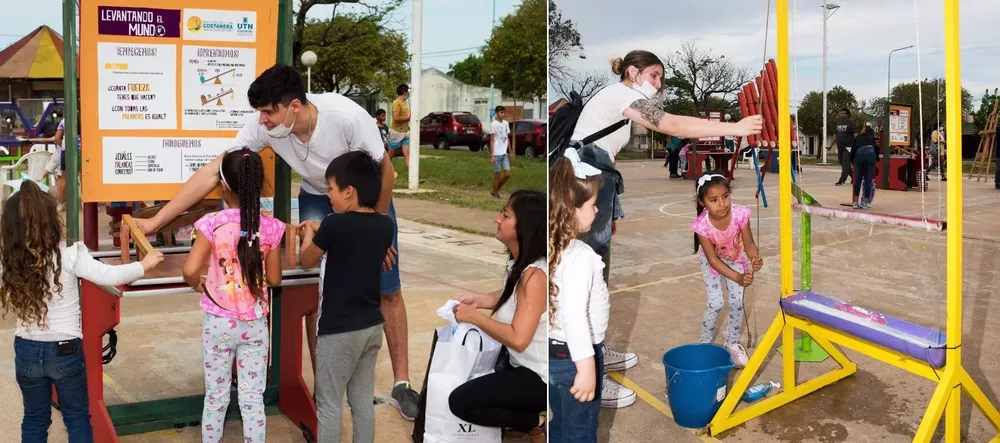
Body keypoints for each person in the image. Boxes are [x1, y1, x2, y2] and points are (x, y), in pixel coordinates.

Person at [132, 64, 421, 420]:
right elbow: (214, 171)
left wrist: (376, 229)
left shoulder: (345, 116)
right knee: (319, 288)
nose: (262, 120)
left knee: (387, 288)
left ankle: (402, 383)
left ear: (295, 106)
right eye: (260, 113)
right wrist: (156, 222)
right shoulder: (265, 124)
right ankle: (325, 388)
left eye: (269, 112)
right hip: (319, 195)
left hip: (369, 198)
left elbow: (385, 172)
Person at [568, 49, 762, 408]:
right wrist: (734, 128)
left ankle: (596, 350)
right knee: (583, 278)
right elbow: (671, 124)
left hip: (599, 178)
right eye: (653, 76)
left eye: (661, 78)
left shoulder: (622, 103)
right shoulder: (622, 94)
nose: (658, 84)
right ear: (632, 72)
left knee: (596, 276)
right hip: (587, 179)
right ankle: (588, 369)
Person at [0, 179, 164, 443]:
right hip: (65, 350)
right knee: (76, 416)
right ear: (51, 218)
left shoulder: (7, 259)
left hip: (27, 349)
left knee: (34, 417)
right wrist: (144, 265)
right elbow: (109, 275)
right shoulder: (71, 255)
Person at [182, 149, 284, 443]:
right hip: (254, 326)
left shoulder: (213, 223)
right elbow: (274, 279)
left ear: (224, 185)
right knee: (252, 399)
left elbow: (190, 269)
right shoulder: (272, 227)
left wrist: (200, 283)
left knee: (216, 397)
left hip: (218, 325)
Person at [297, 151, 394, 443]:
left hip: (338, 331)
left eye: (331, 189)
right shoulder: (384, 225)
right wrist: (321, 229)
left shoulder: (334, 225)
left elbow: (306, 259)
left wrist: (307, 233)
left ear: (349, 192)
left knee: (329, 404)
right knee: (362, 400)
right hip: (371, 327)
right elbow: (349, 241)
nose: (329, 196)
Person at [448, 190, 547, 443]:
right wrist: (481, 300)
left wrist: (475, 317)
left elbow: (519, 338)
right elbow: (511, 296)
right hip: (520, 365)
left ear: (524, 226)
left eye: (505, 214)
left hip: (541, 377)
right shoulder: (521, 264)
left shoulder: (535, 276)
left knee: (461, 402)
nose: (496, 219)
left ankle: (536, 422)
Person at [547, 149, 609, 442]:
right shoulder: (580, 257)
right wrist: (586, 370)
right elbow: (575, 318)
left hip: (554, 356)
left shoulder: (549, 247)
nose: (597, 211)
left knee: (560, 424)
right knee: (580, 433)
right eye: (593, 205)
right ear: (572, 209)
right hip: (576, 359)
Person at [690, 173, 763, 368]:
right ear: (702, 202)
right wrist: (737, 276)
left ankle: (731, 343)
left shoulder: (740, 215)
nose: (722, 204)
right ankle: (704, 344)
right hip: (712, 262)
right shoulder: (701, 226)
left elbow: (749, 243)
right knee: (716, 303)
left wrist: (754, 258)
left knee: (736, 302)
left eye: (725, 196)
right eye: (714, 200)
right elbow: (713, 260)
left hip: (734, 257)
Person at [850, 125, 880, 210]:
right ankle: (865, 203)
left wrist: (852, 162)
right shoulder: (872, 138)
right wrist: (876, 159)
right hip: (870, 154)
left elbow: (853, 150)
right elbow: (876, 149)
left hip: (858, 155)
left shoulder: (858, 138)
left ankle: (855, 202)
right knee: (868, 180)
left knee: (858, 179)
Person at [489, 105, 514, 199]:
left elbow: (507, 138)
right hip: (496, 154)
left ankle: (495, 190)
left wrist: (510, 151)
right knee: (497, 175)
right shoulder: (493, 125)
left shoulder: (506, 123)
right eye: (501, 112)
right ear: (496, 113)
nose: (502, 114)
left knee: (507, 174)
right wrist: (492, 156)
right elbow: (491, 140)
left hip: (504, 153)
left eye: (504, 112)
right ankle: (495, 194)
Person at [388, 84, 412, 168]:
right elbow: (396, 118)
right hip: (396, 132)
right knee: (391, 153)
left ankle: (412, 175)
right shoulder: (396, 103)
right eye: (408, 92)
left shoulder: (404, 103)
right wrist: (408, 117)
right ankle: (382, 170)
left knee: (407, 153)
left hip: (405, 132)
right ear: (405, 92)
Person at [835, 108, 857, 186]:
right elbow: (836, 135)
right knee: (842, 163)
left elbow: (855, 134)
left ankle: (842, 180)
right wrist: (831, 145)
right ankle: (854, 177)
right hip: (840, 146)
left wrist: (856, 145)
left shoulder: (851, 123)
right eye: (841, 113)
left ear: (847, 115)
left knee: (845, 163)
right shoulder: (838, 122)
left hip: (848, 146)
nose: (842, 114)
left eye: (844, 113)